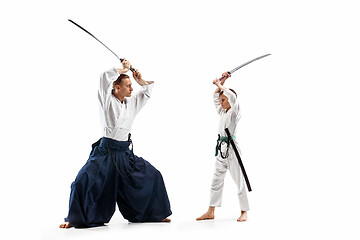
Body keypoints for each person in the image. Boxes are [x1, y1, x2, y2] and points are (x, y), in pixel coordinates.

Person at [60, 60, 171, 228]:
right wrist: (123, 69)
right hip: (106, 153)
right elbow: (104, 77)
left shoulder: (131, 103)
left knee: (153, 175)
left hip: (125, 155)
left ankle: (154, 213)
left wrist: (140, 81)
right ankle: (74, 219)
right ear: (117, 87)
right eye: (128, 86)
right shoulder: (106, 99)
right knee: (83, 181)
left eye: (132, 86)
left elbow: (146, 92)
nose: (132, 89)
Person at [196, 72, 249, 222]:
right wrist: (223, 82)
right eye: (221, 100)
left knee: (239, 180)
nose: (221, 102)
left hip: (233, 150)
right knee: (216, 180)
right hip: (222, 149)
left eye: (223, 100)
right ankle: (211, 210)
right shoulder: (223, 112)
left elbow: (232, 97)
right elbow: (215, 98)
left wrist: (220, 86)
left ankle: (244, 211)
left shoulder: (234, 111)